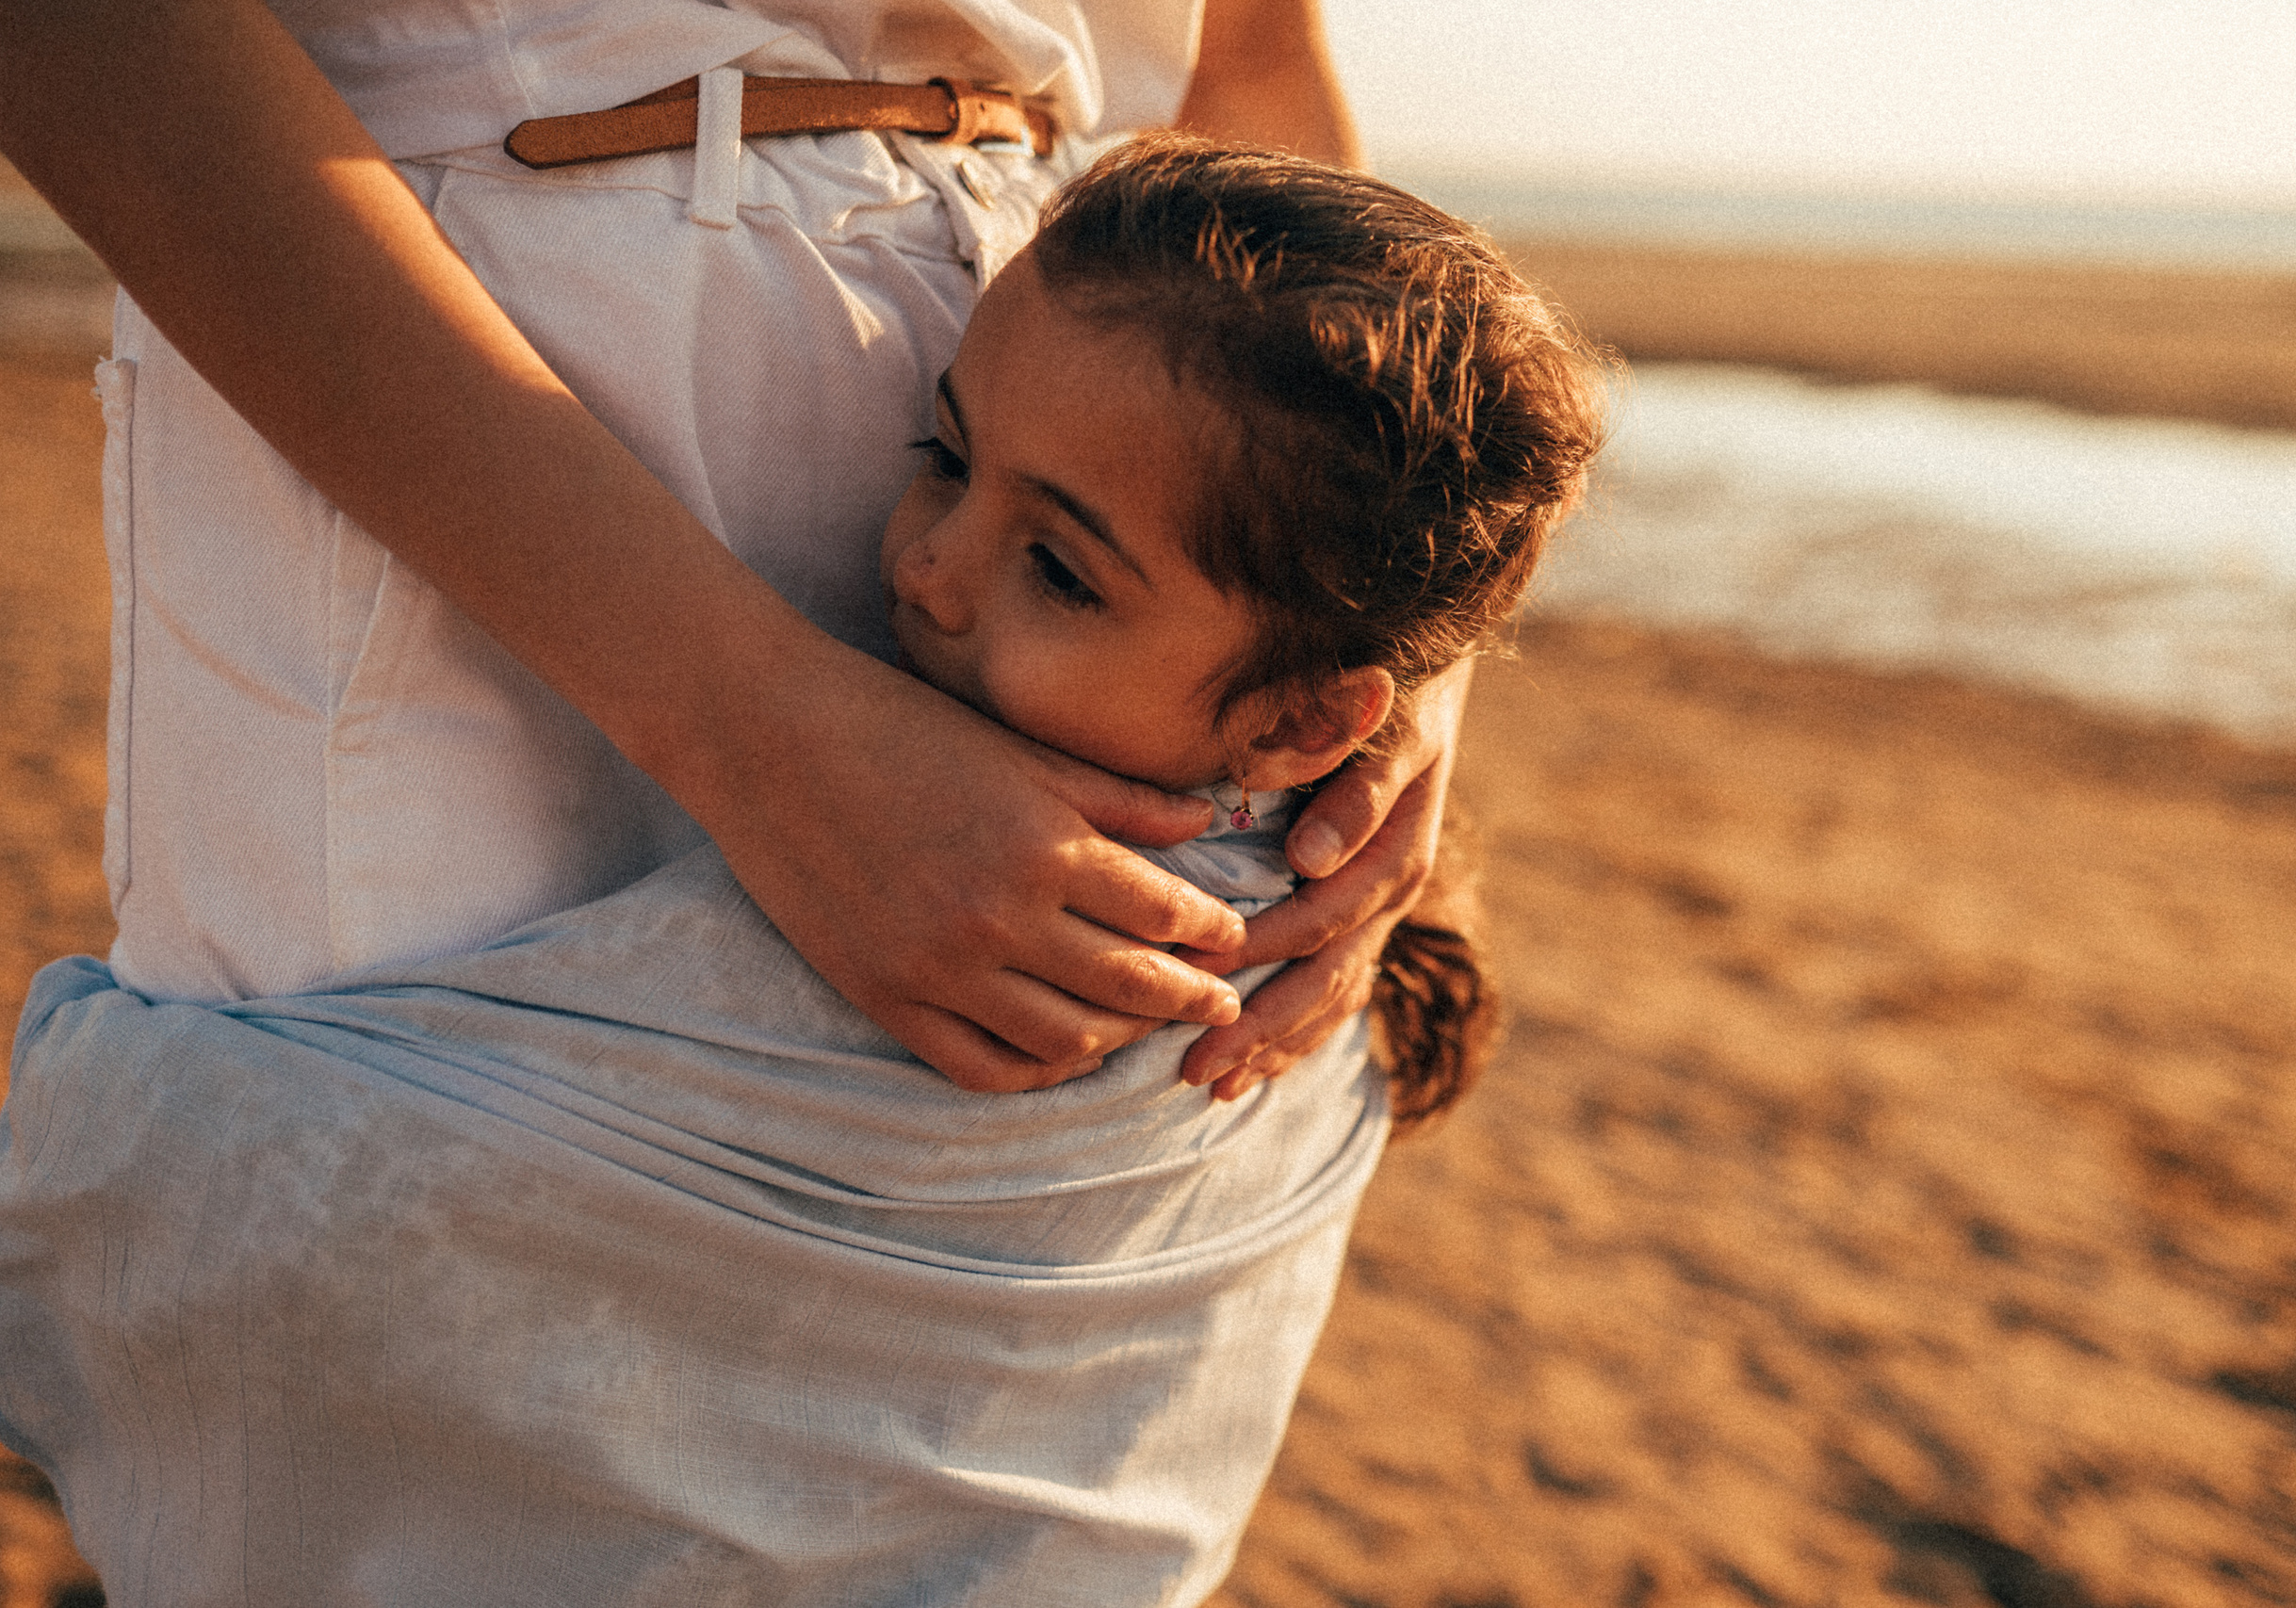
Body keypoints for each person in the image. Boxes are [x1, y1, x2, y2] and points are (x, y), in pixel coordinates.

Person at [0, 136, 1604, 1602]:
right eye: (939, 459)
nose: (922, 564)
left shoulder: (1302, 928)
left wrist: (1414, 680)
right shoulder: (1091, 556)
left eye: (1052, 567)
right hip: (469, 402)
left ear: (1312, 709)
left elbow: (226, 1199)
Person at [0, 0, 1447, 1109]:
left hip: (1043, 356)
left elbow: (1251, 54)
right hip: (474, 406)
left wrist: (1396, 617)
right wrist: (742, 716)